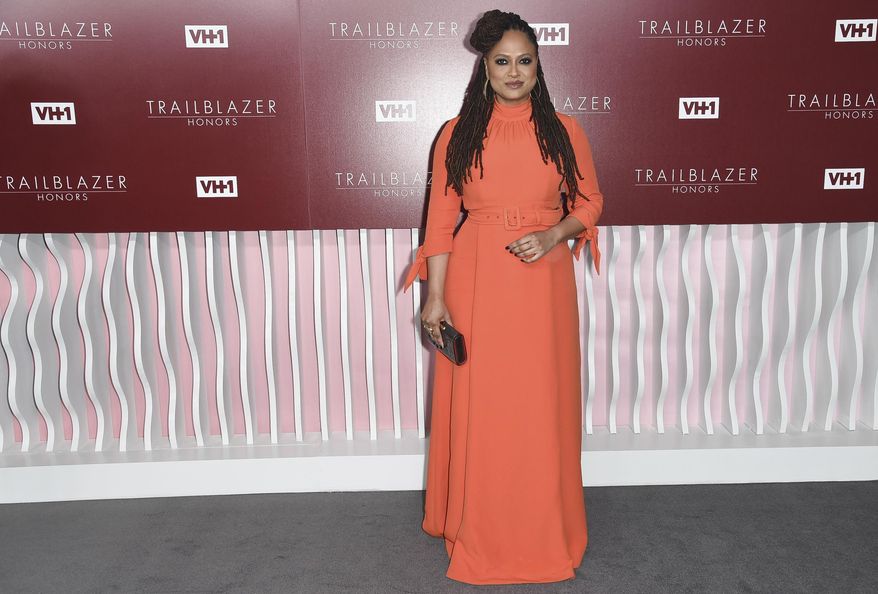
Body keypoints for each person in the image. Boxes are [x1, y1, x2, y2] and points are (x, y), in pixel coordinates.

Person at [401, 9, 603, 585]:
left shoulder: (565, 130)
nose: (514, 72)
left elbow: (589, 201)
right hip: (477, 274)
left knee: (539, 402)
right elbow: (441, 222)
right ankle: (480, 523)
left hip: (543, 282)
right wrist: (435, 297)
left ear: (539, 66)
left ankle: (542, 524)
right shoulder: (455, 133)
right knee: (486, 407)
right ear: (484, 68)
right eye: (501, 62)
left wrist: (554, 234)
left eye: (524, 61)